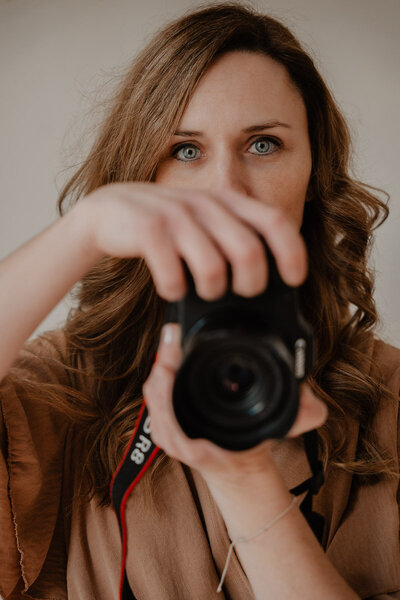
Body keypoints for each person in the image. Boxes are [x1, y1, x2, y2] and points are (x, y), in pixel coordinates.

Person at [0, 3, 399, 599]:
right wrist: (79, 233)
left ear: (315, 170)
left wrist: (244, 481)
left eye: (263, 144)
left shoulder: (388, 395)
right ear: (142, 176)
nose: (225, 190)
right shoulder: (66, 383)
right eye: (185, 150)